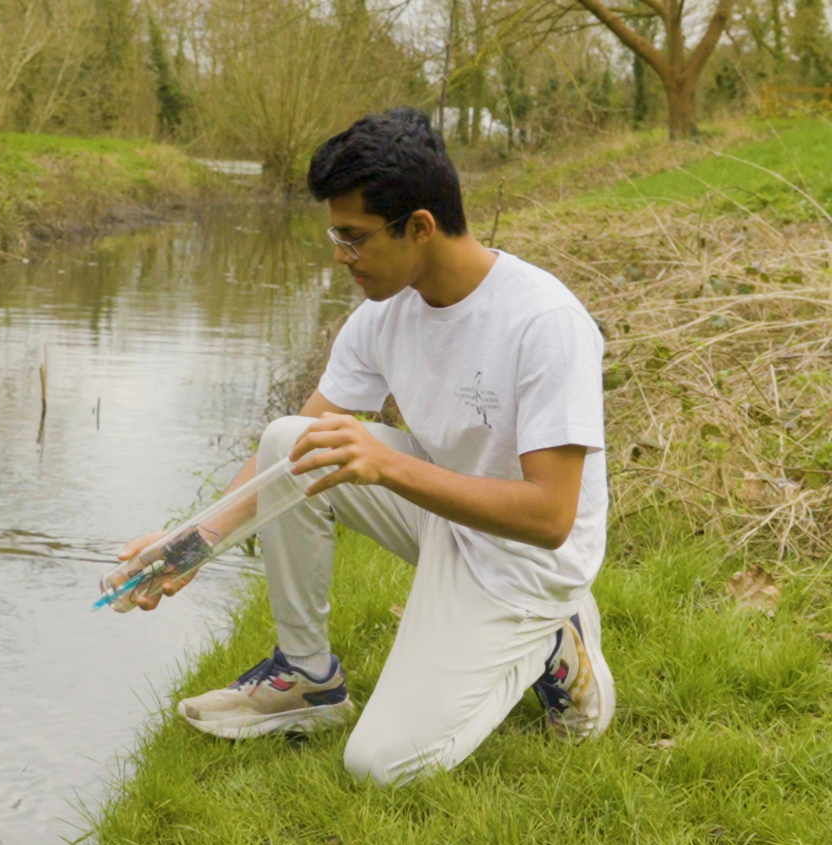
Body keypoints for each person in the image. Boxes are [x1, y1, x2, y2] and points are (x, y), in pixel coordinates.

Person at [118, 107, 614, 786]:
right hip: (449, 514)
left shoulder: (545, 323)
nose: (340, 255)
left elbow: (552, 518)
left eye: (354, 238)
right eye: (334, 234)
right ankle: (308, 677)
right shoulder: (381, 315)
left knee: (381, 768)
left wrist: (390, 465)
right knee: (292, 439)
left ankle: (555, 642)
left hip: (530, 561)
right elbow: (290, 457)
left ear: (420, 227)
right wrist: (188, 546)